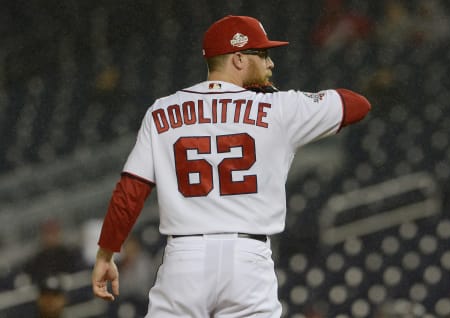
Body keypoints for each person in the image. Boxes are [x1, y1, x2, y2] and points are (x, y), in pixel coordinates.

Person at [91, 15, 371, 317]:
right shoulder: (278, 108)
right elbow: (357, 104)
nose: (270, 63)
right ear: (238, 58)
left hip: (185, 262)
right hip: (247, 262)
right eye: (262, 54)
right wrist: (278, 102)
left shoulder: (162, 111)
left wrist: (106, 254)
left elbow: (130, 192)